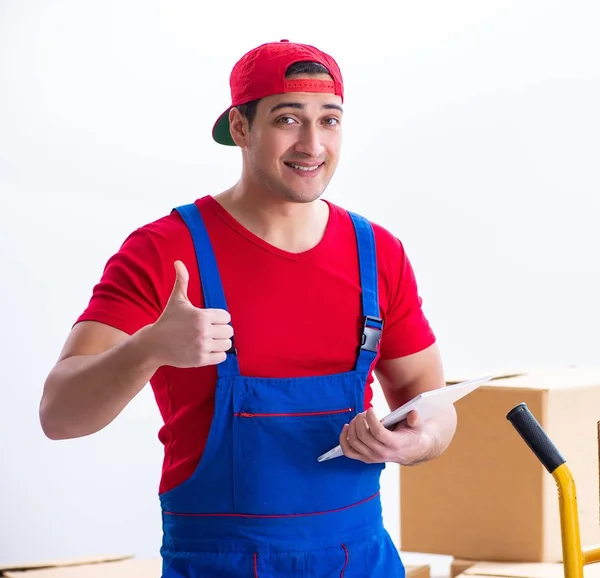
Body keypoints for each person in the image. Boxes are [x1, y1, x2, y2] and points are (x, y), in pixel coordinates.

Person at [39, 39, 457, 577]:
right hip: (222, 563)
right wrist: (148, 348)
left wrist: (419, 440)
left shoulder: (377, 253)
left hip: (362, 559)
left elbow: (433, 402)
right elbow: (59, 415)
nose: (312, 144)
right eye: (288, 119)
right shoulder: (165, 251)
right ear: (240, 128)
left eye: (329, 121)